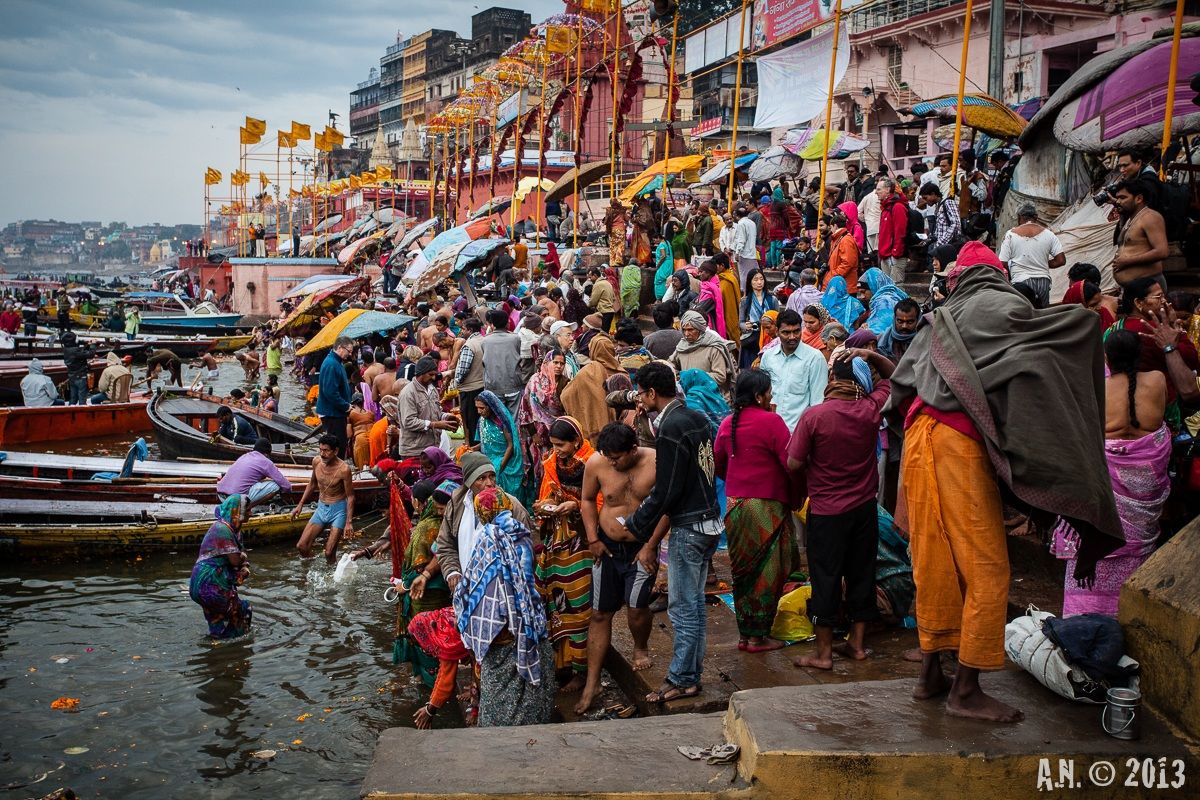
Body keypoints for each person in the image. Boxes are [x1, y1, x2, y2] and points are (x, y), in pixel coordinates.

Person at [887, 241, 1123, 723]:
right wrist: (1088, 315)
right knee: (987, 569)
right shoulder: (1003, 302)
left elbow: (903, 386)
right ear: (996, 275)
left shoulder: (941, 315)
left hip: (917, 438)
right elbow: (1039, 359)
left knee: (936, 561)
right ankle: (967, 691)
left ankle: (931, 674)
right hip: (955, 441)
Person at [787, 348, 895, 669]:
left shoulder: (814, 416)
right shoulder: (871, 408)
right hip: (864, 510)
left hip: (827, 512)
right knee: (862, 574)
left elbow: (793, 462)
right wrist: (870, 355)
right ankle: (857, 646)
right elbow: (893, 377)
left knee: (826, 579)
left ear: (832, 379)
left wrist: (813, 464)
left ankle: (824, 655)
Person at [1052, 330, 1170, 617]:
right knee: (1136, 554)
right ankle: (1131, 614)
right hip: (1145, 488)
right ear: (1139, 355)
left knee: (1098, 542)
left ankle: (1084, 616)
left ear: (1106, 358)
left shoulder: (1097, 389)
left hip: (1107, 491)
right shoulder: (1157, 380)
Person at [623, 363, 721, 704]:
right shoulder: (695, 418)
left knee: (682, 607)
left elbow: (666, 489)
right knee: (693, 606)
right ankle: (689, 677)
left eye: (641, 393)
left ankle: (681, 677)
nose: (639, 399)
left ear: (652, 393)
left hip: (690, 526)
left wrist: (636, 525)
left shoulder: (672, 427)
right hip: (708, 519)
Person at [574, 421, 668, 713]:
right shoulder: (596, 463)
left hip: (641, 547)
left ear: (633, 449)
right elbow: (587, 500)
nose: (612, 462)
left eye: (617, 457)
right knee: (600, 613)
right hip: (607, 547)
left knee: (637, 606)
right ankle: (592, 683)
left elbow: (668, 506)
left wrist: (651, 546)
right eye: (608, 457)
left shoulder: (656, 461)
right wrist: (592, 539)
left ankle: (641, 646)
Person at [714, 369, 799, 652]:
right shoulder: (772, 422)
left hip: (736, 505)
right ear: (760, 395)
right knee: (769, 571)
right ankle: (758, 637)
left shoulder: (727, 424)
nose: (771, 395)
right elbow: (790, 463)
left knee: (743, 571)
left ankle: (745, 634)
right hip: (767, 505)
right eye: (769, 391)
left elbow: (720, 464)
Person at [532, 417, 596, 691]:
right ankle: (562, 664)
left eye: (562, 445)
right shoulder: (551, 464)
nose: (557, 450)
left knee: (579, 605)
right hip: (556, 542)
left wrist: (574, 506)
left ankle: (582, 671)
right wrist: (548, 505)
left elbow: (601, 501)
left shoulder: (592, 463)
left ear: (576, 441)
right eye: (554, 445)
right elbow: (544, 496)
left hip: (583, 543)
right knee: (555, 601)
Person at [1106, 277, 1200, 427]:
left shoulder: (1115, 328)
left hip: (1121, 404)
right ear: (1138, 303)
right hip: (1159, 406)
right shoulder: (1153, 331)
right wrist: (1175, 327)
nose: (1164, 301)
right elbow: (1192, 359)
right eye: (1159, 297)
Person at [189, 495, 252, 639]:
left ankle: (217, 653)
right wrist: (243, 562)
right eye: (247, 510)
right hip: (209, 584)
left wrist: (243, 561)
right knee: (244, 609)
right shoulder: (222, 529)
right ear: (237, 511)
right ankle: (240, 650)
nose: (251, 513)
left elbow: (240, 557)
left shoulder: (233, 529)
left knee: (217, 622)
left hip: (202, 585)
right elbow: (236, 560)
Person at [758, 309, 828, 431]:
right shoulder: (768, 357)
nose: (792, 337)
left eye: (796, 331)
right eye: (786, 332)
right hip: (770, 429)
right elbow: (762, 395)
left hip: (797, 432)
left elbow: (818, 402)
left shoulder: (814, 358)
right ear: (777, 332)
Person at [291, 434, 355, 563]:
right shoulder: (316, 462)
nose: (322, 454)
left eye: (326, 450)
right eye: (320, 450)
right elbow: (312, 484)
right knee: (302, 546)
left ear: (335, 451)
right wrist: (300, 504)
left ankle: (332, 577)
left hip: (338, 510)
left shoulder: (344, 470)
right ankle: (312, 569)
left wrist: (349, 522)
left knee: (329, 552)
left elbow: (350, 496)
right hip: (321, 508)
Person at [996, 204, 1065, 308]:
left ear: (1019, 218)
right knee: (1042, 316)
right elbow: (1061, 260)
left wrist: (1010, 278)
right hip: (1043, 282)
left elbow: (1002, 263)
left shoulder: (1011, 235)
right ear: (1036, 217)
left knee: (1024, 316)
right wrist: (1040, 262)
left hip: (1021, 282)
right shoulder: (1049, 234)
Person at [561, 336, 622, 442]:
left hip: (593, 428)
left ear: (594, 351)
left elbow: (566, 396)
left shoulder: (590, 370)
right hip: (619, 431)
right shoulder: (621, 372)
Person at [1111, 179, 1169, 288]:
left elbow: (1162, 251)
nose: (1118, 201)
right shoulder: (1131, 219)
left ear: (1139, 198)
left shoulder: (1150, 217)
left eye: (1122, 198)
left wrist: (1127, 261)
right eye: (1117, 197)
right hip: (1134, 287)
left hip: (1148, 286)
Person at [474, 389, 525, 503]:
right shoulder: (482, 421)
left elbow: (510, 445)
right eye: (477, 408)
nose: (479, 411)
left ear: (491, 407)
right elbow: (486, 441)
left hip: (505, 462)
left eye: (482, 408)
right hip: (489, 461)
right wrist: (472, 449)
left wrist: (500, 466)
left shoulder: (502, 422)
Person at [397, 356, 456, 457]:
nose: (433, 378)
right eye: (430, 375)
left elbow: (436, 412)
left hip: (432, 448)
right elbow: (409, 421)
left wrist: (446, 417)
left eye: (435, 374)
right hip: (414, 451)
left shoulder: (432, 389)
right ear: (421, 373)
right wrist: (435, 425)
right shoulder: (408, 393)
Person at [216, 437, 293, 510]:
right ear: (267, 454)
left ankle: (242, 507)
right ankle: (245, 509)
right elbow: (286, 486)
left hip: (221, 495)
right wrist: (289, 495)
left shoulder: (245, 456)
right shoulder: (265, 461)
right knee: (276, 485)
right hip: (236, 500)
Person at [672, 310, 736, 398]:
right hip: (688, 397)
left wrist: (694, 376)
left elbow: (720, 376)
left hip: (711, 398)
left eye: (690, 330)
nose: (686, 334)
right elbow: (671, 365)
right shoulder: (682, 346)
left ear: (700, 329)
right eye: (684, 330)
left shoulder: (713, 347)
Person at [481, 309, 525, 419]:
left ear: (492, 324)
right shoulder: (515, 338)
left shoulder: (485, 341)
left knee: (498, 419)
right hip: (513, 385)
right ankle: (514, 436)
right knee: (514, 420)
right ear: (507, 323)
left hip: (493, 385)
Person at [450, 317, 486, 447]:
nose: (461, 331)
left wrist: (456, 382)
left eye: (463, 329)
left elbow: (463, 368)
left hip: (470, 389)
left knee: (471, 422)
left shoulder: (469, 345)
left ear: (470, 330)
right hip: (483, 385)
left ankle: (473, 448)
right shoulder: (484, 340)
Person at [317, 337, 354, 457]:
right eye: (348, 351)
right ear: (339, 347)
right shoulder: (331, 364)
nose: (350, 354)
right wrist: (346, 406)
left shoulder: (336, 362)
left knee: (339, 444)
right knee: (338, 446)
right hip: (332, 413)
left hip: (336, 412)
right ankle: (335, 471)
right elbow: (330, 392)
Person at [738, 268, 777, 368]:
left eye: (761, 279)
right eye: (755, 279)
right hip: (751, 339)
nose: (759, 282)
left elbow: (777, 319)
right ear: (750, 282)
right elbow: (741, 322)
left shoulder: (772, 300)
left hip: (768, 339)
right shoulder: (745, 301)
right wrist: (745, 326)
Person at [876, 177, 911, 283]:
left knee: (896, 287)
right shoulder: (886, 208)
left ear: (887, 190)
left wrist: (895, 253)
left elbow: (900, 232)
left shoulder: (897, 207)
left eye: (878, 189)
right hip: (886, 255)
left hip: (894, 256)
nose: (876, 192)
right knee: (888, 288)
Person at [856, 268, 910, 336]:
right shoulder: (891, 295)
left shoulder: (885, 302)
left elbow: (878, 331)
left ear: (873, 287)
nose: (862, 297)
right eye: (860, 293)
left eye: (864, 292)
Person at [878, 297, 921, 362]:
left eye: (910, 322)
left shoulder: (925, 341)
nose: (904, 326)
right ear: (894, 319)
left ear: (918, 320)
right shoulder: (883, 340)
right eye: (900, 321)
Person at [59, 331, 93, 405]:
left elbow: (81, 353)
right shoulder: (75, 351)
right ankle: (81, 413)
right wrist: (93, 346)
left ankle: (71, 411)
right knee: (82, 397)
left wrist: (86, 344)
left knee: (73, 397)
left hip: (72, 376)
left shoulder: (66, 349)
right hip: (80, 377)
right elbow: (90, 354)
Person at [731, 204, 759, 287]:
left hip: (744, 254)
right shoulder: (752, 223)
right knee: (753, 274)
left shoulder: (741, 224)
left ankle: (744, 292)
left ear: (737, 216)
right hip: (752, 253)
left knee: (744, 275)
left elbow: (741, 239)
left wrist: (737, 252)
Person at [348, 393, 376, 469]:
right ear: (363, 402)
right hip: (373, 438)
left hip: (360, 440)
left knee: (363, 468)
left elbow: (349, 434)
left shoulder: (351, 414)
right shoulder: (370, 413)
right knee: (373, 465)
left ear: (353, 403)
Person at [586, 266, 617, 332]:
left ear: (595, 275)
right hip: (610, 312)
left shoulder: (598, 284)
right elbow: (614, 298)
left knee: (602, 334)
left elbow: (593, 302)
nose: (589, 279)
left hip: (603, 312)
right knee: (605, 332)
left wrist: (587, 305)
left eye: (590, 277)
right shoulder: (607, 283)